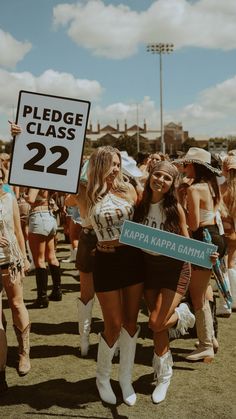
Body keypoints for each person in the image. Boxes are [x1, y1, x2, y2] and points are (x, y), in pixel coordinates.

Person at [86, 146, 144, 406]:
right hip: (106, 261)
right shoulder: (85, 192)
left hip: (132, 259)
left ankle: (125, 378)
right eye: (111, 164)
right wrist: (19, 138)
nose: (117, 169)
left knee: (131, 322)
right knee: (113, 323)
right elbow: (46, 175)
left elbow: (147, 222)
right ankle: (103, 378)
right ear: (99, 165)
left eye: (119, 163)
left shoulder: (128, 189)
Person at [134, 160, 195, 403]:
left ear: (172, 184)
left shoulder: (175, 209)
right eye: (157, 175)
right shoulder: (140, 204)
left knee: (156, 321)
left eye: (166, 178)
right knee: (158, 326)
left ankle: (183, 315)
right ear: (150, 177)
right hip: (149, 270)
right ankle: (163, 376)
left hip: (174, 270)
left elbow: (187, 243)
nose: (160, 180)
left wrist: (204, 255)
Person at [174, 148, 227, 362]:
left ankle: (205, 344)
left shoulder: (195, 189)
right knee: (203, 290)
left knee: (197, 295)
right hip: (215, 237)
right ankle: (210, 338)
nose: (184, 168)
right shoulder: (212, 186)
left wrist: (180, 199)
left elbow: (193, 223)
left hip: (202, 239)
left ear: (195, 166)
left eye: (187, 164)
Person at [10, 123, 62, 308]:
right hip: (49, 217)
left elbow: (31, 199)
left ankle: (42, 298)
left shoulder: (36, 176)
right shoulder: (48, 176)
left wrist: (23, 195)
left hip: (38, 217)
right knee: (52, 257)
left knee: (39, 260)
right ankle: (57, 290)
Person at [0, 162, 30, 392]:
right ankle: (2, 363)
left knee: (17, 305)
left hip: (11, 261)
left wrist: (25, 255)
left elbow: (18, 230)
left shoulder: (9, 198)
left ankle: (23, 353)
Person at [220, 155, 236, 311]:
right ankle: (235, 300)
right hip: (235, 232)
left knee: (224, 265)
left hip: (224, 232)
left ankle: (226, 304)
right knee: (232, 264)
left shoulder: (221, 189)